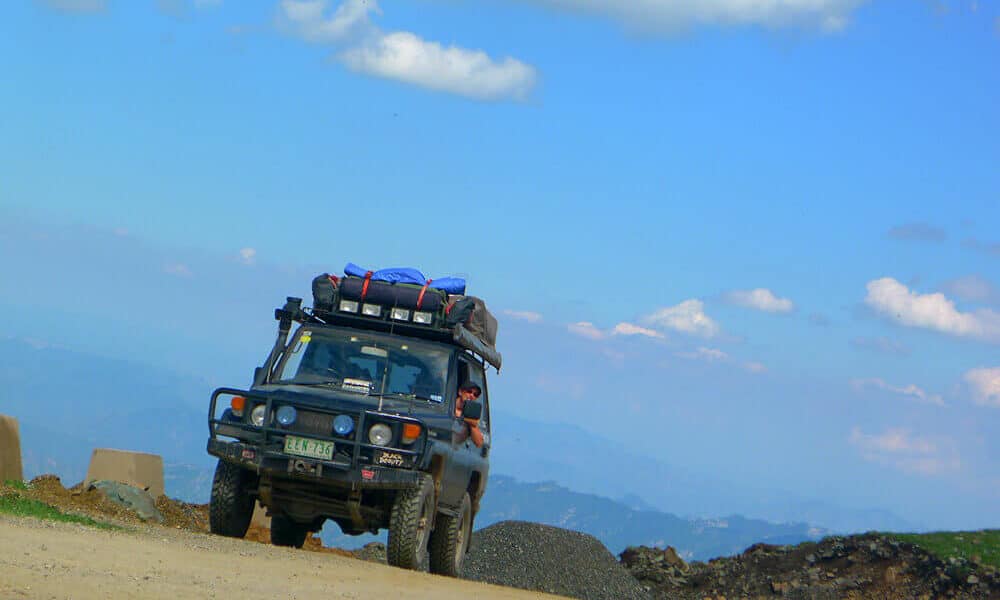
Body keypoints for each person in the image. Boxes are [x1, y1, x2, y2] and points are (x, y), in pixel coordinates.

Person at [455, 382, 484, 448]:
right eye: (469, 391)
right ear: (460, 392)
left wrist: (471, 423)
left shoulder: (471, 415)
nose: (471, 395)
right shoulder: (447, 405)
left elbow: (479, 443)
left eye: (475, 394)